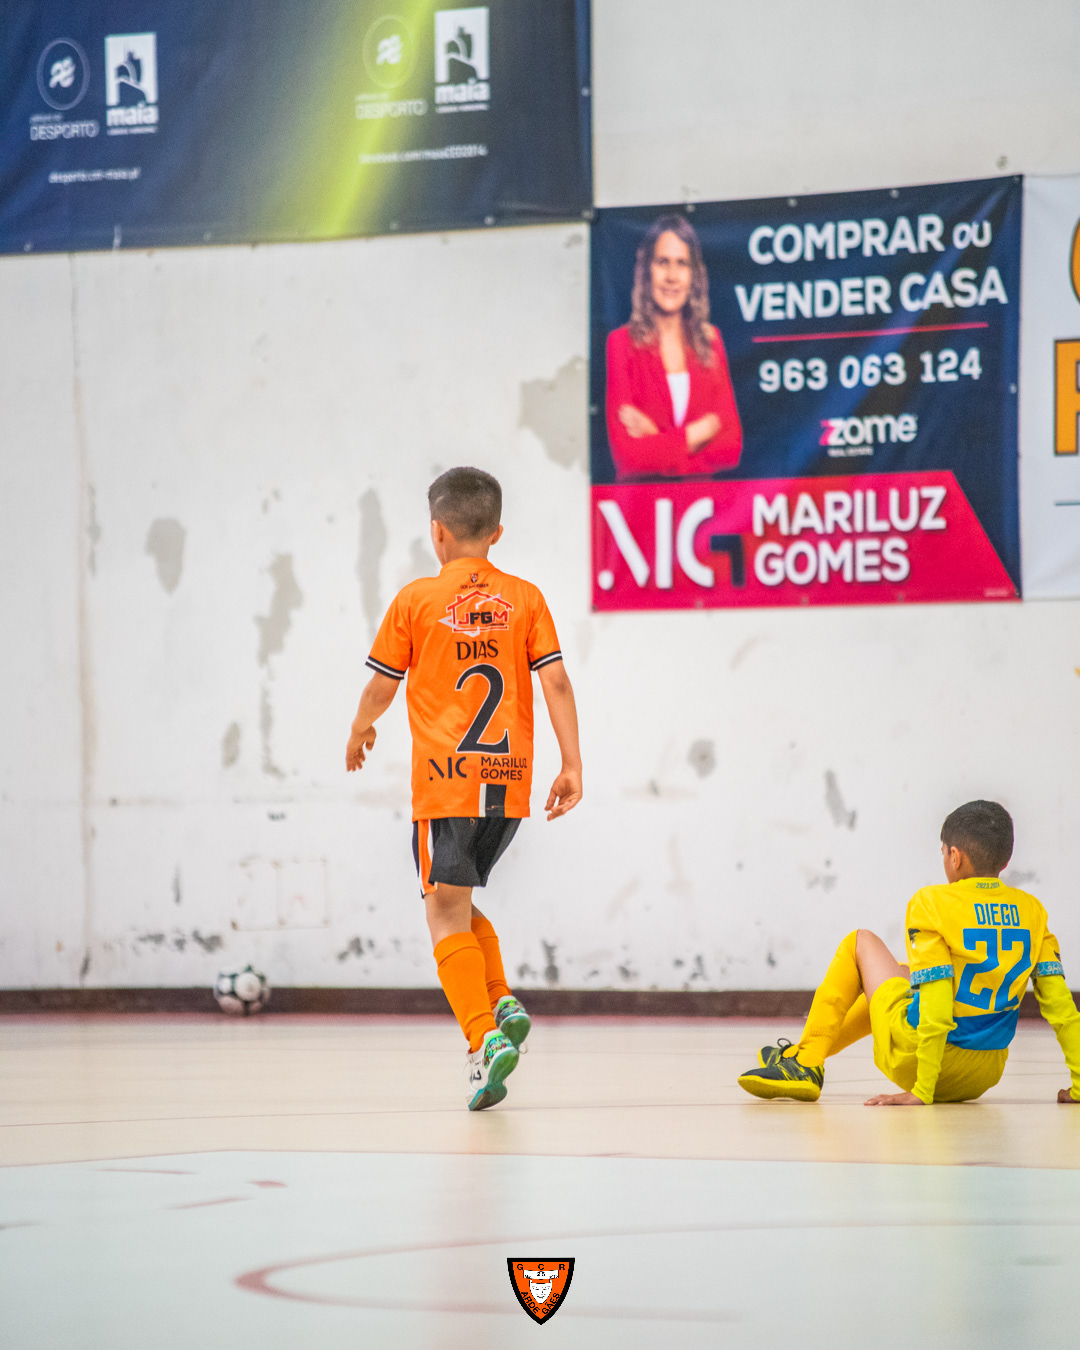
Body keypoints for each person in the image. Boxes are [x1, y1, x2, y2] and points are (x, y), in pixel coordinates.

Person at [345, 467, 583, 1111]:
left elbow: (382, 685)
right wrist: (572, 764)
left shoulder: (416, 600)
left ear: (437, 532)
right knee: (455, 901)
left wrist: (361, 728)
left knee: (442, 910)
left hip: (445, 785)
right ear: (497, 532)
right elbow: (556, 682)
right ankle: (499, 1000)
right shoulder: (526, 598)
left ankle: (483, 1041)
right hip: (507, 789)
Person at [737, 800, 1080, 1106]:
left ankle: (806, 1062)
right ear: (1004, 860)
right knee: (901, 975)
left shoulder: (932, 903)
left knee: (860, 942)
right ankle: (797, 1054)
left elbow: (937, 1001)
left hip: (921, 1062)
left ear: (955, 856)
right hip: (984, 1073)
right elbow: (1062, 1010)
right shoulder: (1033, 911)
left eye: (943, 852)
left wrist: (922, 1089)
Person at [605, 213, 742, 481]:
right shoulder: (621, 344)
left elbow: (730, 449)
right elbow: (628, 455)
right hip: (641, 503)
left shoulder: (711, 342)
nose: (671, 277)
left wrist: (656, 438)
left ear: (693, 276)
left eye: (682, 264)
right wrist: (699, 433)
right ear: (647, 271)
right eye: (662, 262)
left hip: (702, 503)